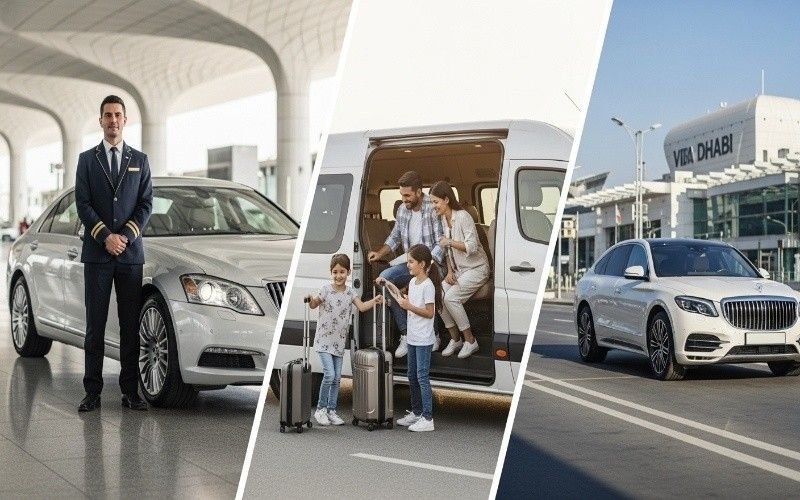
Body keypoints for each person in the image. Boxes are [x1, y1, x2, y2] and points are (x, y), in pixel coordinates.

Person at [75, 95, 153, 412]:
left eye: (118, 115)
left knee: (129, 327)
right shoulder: (87, 160)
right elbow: (83, 204)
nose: (113, 120)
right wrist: (106, 236)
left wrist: (125, 237)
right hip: (97, 255)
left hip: (130, 258)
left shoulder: (140, 160)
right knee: (94, 326)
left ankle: (130, 391)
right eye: (107, 115)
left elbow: (146, 204)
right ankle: (92, 392)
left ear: (125, 119)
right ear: (100, 121)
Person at [367, 171, 444, 357]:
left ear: (419, 192)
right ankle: (406, 334)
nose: (404, 199)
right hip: (411, 263)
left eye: (407, 195)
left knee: (423, 284)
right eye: (401, 195)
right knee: (385, 279)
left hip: (432, 263)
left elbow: (441, 242)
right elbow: (394, 237)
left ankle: (434, 334)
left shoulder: (431, 208)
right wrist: (379, 253)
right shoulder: (403, 209)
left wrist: (426, 266)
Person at [306, 254, 384, 426]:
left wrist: (375, 300)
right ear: (330, 273)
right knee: (329, 375)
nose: (338, 275)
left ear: (348, 273)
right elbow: (314, 304)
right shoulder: (326, 290)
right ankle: (320, 409)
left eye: (342, 272)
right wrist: (311, 300)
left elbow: (362, 307)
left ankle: (332, 411)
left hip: (339, 342)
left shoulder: (350, 292)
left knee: (337, 378)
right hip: (324, 341)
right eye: (335, 272)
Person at [381, 244, 442, 432]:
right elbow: (406, 301)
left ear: (422, 264)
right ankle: (416, 413)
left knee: (422, 377)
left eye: (411, 262)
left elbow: (430, 313)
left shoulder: (428, 286)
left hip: (423, 339)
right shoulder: (414, 283)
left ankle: (427, 418)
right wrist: (391, 289)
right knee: (411, 375)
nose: (407, 265)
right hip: (414, 338)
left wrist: (409, 307)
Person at [429, 181, 491, 359]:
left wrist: (449, 242)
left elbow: (471, 246)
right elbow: (447, 251)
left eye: (436, 202)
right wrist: (449, 271)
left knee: (451, 297)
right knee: (438, 295)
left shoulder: (463, 217)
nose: (433, 206)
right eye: (432, 203)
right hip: (459, 270)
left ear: (446, 199)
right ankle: (455, 339)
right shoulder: (443, 219)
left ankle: (470, 341)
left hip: (477, 268)